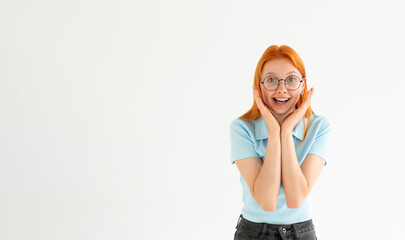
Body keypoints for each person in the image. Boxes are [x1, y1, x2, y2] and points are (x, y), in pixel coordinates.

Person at [230, 45, 332, 240]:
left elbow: (296, 199)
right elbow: (267, 201)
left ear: (303, 84)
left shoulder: (319, 127)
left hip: (302, 232)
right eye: (271, 80)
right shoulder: (241, 128)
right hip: (253, 233)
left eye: (291, 80)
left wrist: (285, 132)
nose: (281, 89)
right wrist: (273, 132)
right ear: (259, 85)